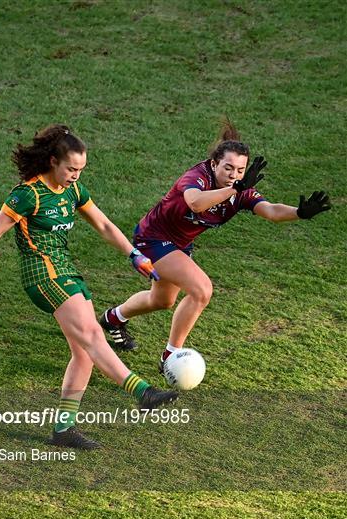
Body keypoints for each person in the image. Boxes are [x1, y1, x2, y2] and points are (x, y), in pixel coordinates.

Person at [0, 124, 178, 450]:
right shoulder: (28, 194)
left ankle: (63, 429)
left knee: (84, 353)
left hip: (66, 272)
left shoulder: (73, 191)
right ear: (53, 161)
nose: (76, 174)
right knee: (92, 335)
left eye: (81, 169)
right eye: (71, 168)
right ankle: (142, 392)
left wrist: (133, 254)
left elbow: (103, 224)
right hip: (42, 274)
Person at [100, 119, 331, 371]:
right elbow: (196, 203)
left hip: (179, 245)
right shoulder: (197, 177)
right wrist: (235, 189)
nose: (234, 175)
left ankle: (113, 319)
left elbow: (272, 211)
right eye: (228, 168)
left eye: (240, 170)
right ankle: (170, 357)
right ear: (214, 164)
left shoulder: (241, 189)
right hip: (153, 238)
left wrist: (300, 212)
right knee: (201, 290)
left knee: (162, 301)